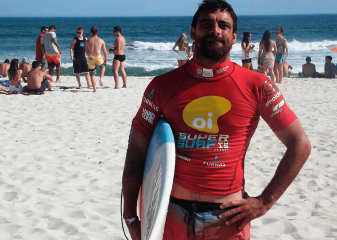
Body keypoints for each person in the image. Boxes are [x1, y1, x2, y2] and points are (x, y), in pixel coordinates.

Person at [122, 0, 311, 239]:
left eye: (224, 25)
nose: (215, 30)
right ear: (193, 31)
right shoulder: (161, 86)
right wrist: (130, 214)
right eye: (206, 24)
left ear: (234, 37)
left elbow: (300, 144)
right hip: (171, 214)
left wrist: (264, 202)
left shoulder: (257, 85)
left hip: (228, 220)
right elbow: (137, 150)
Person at [85, 27, 108, 92]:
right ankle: (101, 79)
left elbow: (86, 51)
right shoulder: (101, 40)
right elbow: (105, 52)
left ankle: (94, 89)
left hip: (91, 57)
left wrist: (90, 56)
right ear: (97, 32)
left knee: (92, 74)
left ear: (91, 33)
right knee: (102, 66)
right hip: (98, 56)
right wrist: (106, 59)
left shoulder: (87, 41)